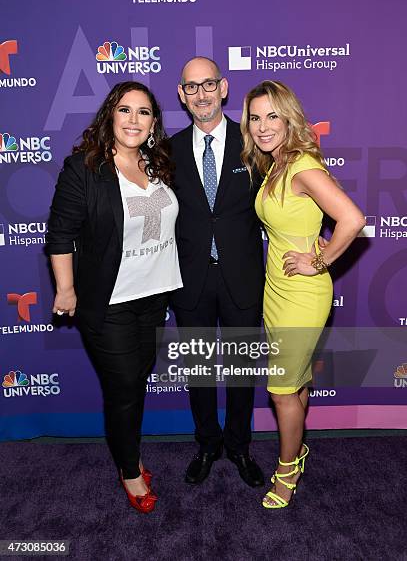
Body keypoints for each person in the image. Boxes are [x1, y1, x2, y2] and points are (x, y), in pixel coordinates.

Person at [45, 81, 182, 514]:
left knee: (136, 380)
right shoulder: (84, 168)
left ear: (153, 123)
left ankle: (129, 452)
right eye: (125, 110)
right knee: (124, 388)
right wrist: (66, 290)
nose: (133, 120)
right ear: (110, 115)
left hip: (154, 297)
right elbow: (60, 235)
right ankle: (129, 471)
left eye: (144, 113)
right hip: (109, 302)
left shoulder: (158, 163)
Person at [241, 80, 366, 508]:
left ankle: (287, 472)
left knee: (279, 391)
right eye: (255, 118)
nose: (262, 126)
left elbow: (351, 218)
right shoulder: (277, 163)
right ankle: (298, 449)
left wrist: (320, 259)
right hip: (276, 291)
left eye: (272, 116)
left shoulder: (300, 166)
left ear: (289, 117)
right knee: (293, 383)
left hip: (302, 294)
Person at [170, 57, 265, 487]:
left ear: (223, 88)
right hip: (190, 279)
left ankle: (239, 446)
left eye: (208, 84)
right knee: (201, 370)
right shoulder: (166, 151)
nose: (201, 94)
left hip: (242, 276)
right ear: (181, 94)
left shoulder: (254, 143)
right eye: (192, 87)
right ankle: (208, 444)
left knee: (243, 370)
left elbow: (282, 200)